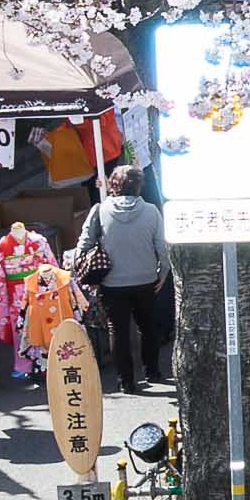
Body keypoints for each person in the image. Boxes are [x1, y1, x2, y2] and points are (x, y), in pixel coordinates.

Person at [76, 163, 169, 393]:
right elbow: (162, 248)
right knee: (148, 326)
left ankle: (125, 381)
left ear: (112, 186)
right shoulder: (151, 212)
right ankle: (153, 371)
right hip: (146, 278)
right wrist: (162, 273)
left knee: (117, 329)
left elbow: (83, 244)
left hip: (112, 281)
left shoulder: (100, 210)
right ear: (139, 186)